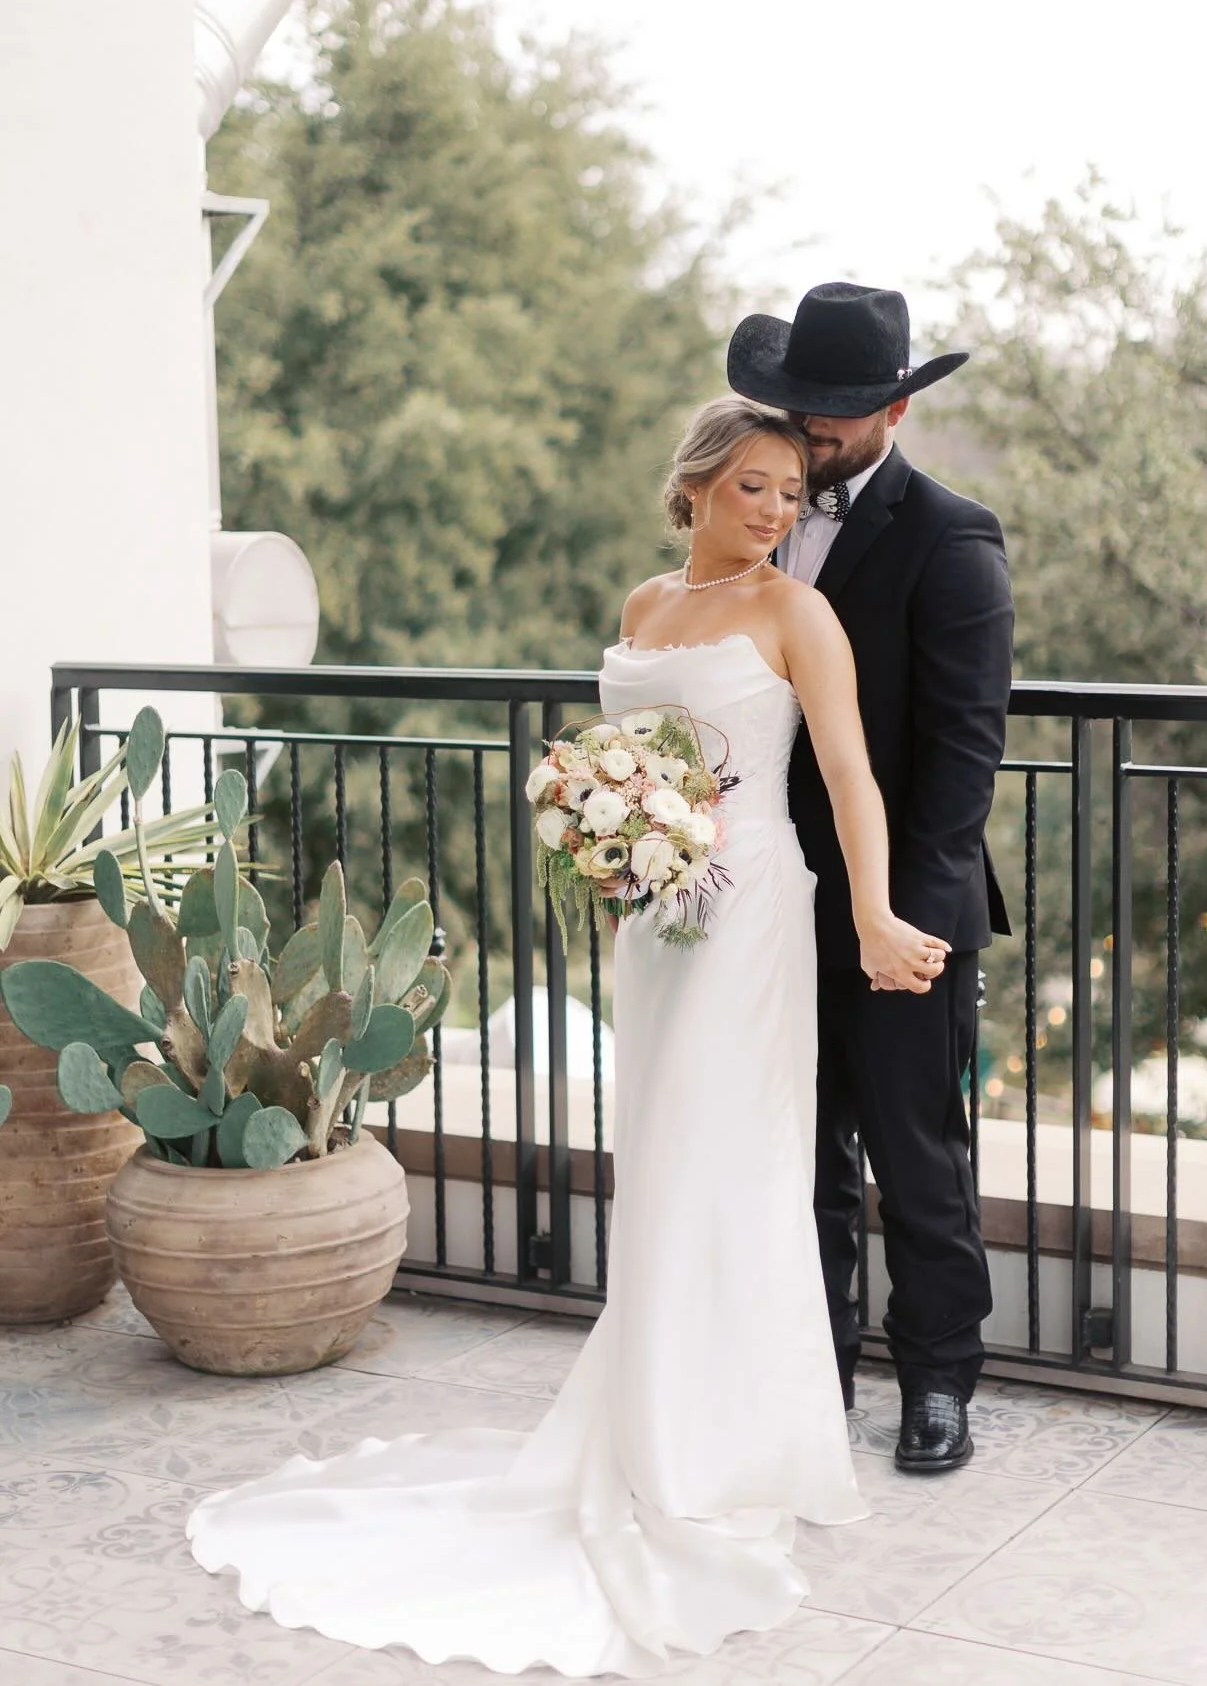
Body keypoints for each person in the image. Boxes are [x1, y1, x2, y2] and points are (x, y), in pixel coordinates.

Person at [185, 395, 953, 1678]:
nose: (776, 511)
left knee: (731, 1158)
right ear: (695, 487)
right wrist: (609, 839)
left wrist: (875, 912)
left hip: (750, 909)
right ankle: (662, 1416)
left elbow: (849, 774)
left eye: (791, 491)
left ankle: (726, 1443)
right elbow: (628, 758)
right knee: (659, 1156)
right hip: (655, 916)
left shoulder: (797, 614)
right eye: (754, 487)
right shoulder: (646, 605)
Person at [727, 281, 1014, 1473]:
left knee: (918, 1162)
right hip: (770, 905)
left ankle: (938, 1383)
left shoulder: (953, 536)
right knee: (804, 1161)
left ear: (895, 408)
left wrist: (894, 918)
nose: (812, 426)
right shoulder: (756, 516)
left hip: (901, 917)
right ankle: (819, 1374)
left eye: (838, 408)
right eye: (801, 402)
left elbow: (962, 757)